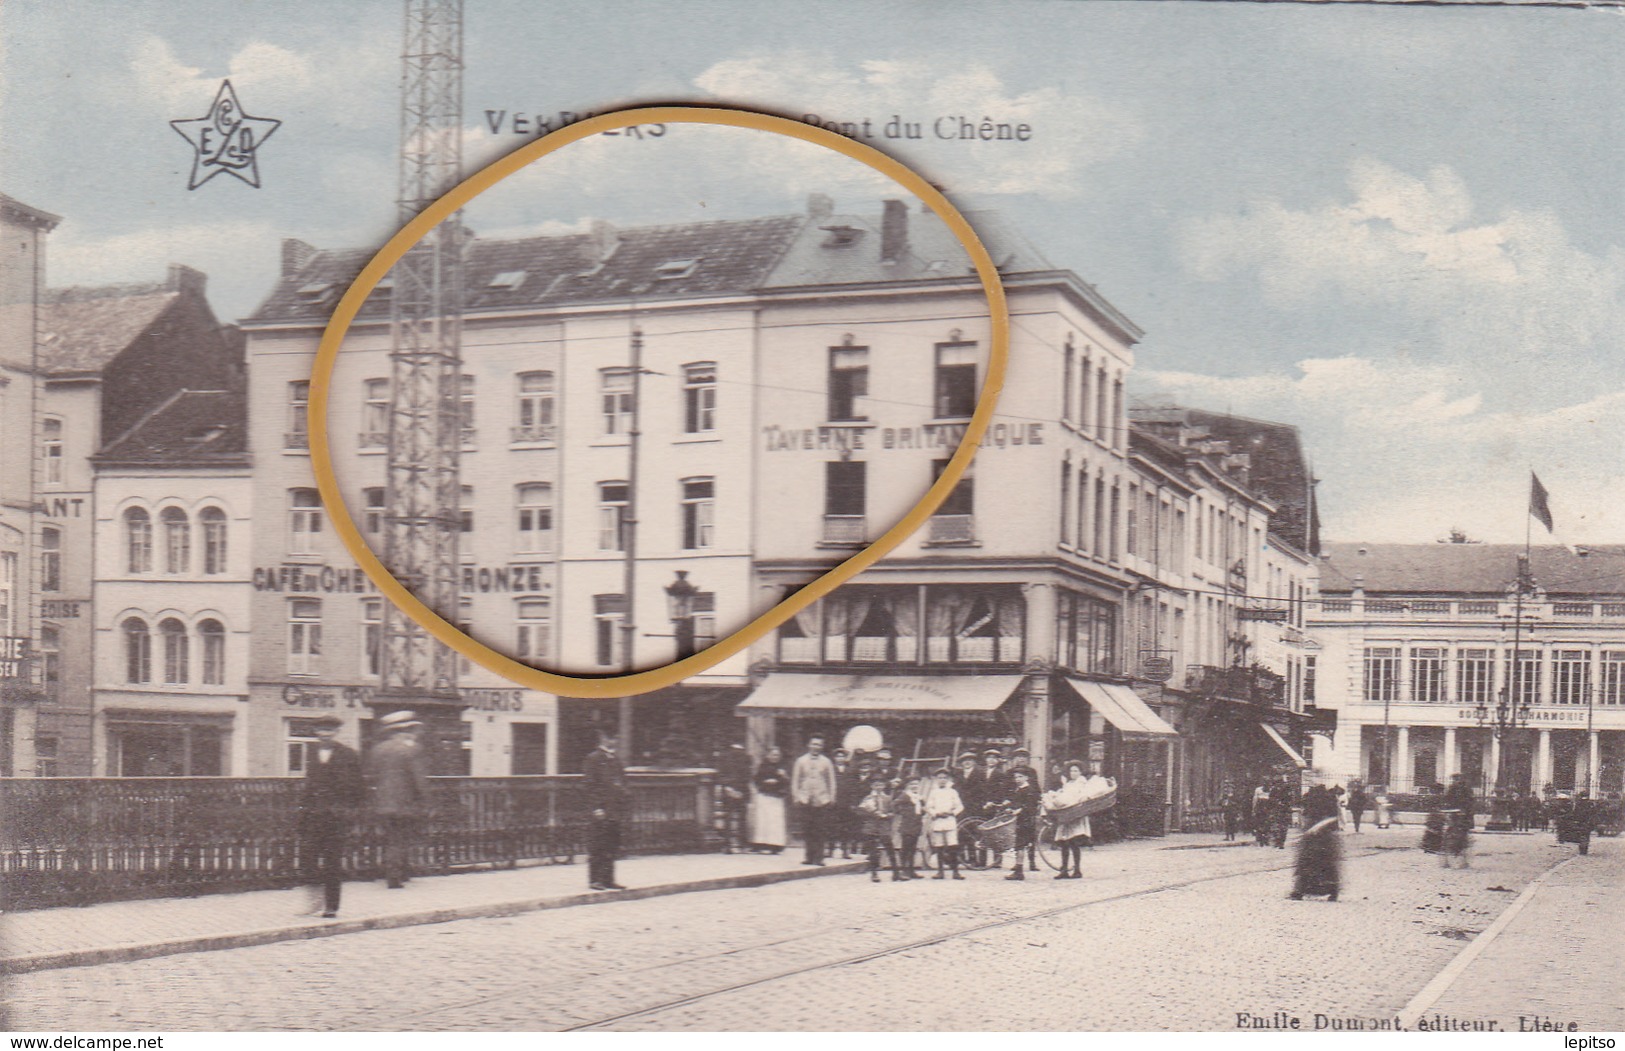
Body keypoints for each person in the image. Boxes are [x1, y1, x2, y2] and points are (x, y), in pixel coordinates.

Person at [298, 714, 364, 918]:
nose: (325, 734)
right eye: (321, 730)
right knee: (308, 859)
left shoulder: (349, 755)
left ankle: (331, 906)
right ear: (316, 733)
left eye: (329, 731)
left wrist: (350, 812)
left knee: (332, 862)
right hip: (313, 815)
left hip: (336, 817)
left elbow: (358, 787)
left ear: (336, 732)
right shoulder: (309, 752)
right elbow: (308, 784)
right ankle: (315, 901)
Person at [366, 710, 431, 889]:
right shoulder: (411, 750)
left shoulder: (378, 749)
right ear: (406, 730)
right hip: (405, 803)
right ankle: (395, 876)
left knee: (391, 837)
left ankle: (399, 872)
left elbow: (372, 775)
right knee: (401, 838)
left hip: (382, 803)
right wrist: (426, 800)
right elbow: (419, 779)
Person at [583, 730, 630, 890]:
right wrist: (596, 807)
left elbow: (623, 781)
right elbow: (590, 786)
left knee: (611, 845)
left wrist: (623, 795)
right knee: (598, 844)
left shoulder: (615, 760)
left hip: (614, 809)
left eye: (616, 737)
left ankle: (608, 879)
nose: (614, 741)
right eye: (611, 737)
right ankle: (595, 880)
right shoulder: (593, 758)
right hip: (601, 810)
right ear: (603, 738)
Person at [1043, 760, 1096, 879]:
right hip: (1066, 814)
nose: (1073, 773)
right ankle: (1064, 870)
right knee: (1064, 843)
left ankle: (1077, 870)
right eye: (1071, 770)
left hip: (1075, 815)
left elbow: (1082, 796)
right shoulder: (1068, 783)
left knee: (1074, 842)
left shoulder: (1082, 783)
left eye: (1076, 770)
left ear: (1080, 772)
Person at [791, 735, 838, 866]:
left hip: (821, 799)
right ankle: (808, 856)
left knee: (820, 829)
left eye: (819, 745)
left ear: (822, 747)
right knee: (807, 829)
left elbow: (831, 781)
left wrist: (832, 797)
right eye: (814, 744)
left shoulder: (826, 761)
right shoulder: (800, 761)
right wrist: (796, 796)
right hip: (805, 798)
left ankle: (819, 857)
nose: (816, 747)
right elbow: (796, 780)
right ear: (809, 745)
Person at [1289, 784, 1341, 901]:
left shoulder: (1324, 800)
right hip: (1319, 838)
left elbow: (1331, 818)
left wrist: (1314, 828)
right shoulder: (1326, 799)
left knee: (1311, 864)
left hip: (1320, 837)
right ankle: (1330, 891)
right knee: (1321, 865)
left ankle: (1300, 891)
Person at [994, 766, 1042, 881]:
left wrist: (1018, 811)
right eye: (1016, 777)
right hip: (1020, 820)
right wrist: (1010, 809)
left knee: (1020, 845)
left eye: (1020, 777)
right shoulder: (1019, 789)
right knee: (1019, 845)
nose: (1018, 779)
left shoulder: (1029, 790)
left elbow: (1029, 806)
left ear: (1026, 777)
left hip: (1026, 820)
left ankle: (1019, 871)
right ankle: (1018, 867)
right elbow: (1016, 803)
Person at [923, 768, 965, 879]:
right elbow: (928, 807)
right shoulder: (933, 792)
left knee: (953, 846)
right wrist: (936, 813)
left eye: (944, 778)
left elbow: (960, 806)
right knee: (939, 847)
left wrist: (952, 812)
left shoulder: (952, 792)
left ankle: (955, 872)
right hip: (938, 821)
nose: (942, 780)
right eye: (940, 778)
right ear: (936, 779)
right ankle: (940, 872)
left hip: (950, 821)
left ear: (948, 779)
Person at [857, 776, 898, 882]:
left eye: (881, 785)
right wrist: (871, 813)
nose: (878, 787)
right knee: (873, 851)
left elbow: (893, 812)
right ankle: (874, 874)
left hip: (884, 827)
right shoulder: (867, 798)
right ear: (872, 786)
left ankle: (896, 873)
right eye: (876, 785)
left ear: (884, 786)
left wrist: (886, 816)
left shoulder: (887, 798)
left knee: (890, 849)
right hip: (871, 827)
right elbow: (861, 811)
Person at [749, 746, 789, 854]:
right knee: (763, 821)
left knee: (775, 822)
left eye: (777, 755)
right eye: (773, 755)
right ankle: (761, 844)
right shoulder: (762, 766)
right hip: (764, 796)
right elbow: (756, 779)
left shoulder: (782, 768)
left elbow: (786, 782)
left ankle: (775, 845)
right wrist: (765, 782)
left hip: (776, 797)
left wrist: (782, 778)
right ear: (768, 755)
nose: (775, 757)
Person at [717, 743, 752, 854]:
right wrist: (731, 789)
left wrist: (730, 789)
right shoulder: (744, 757)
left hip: (736, 790)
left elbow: (746, 775)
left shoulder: (744, 758)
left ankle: (733, 844)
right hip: (735, 790)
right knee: (736, 818)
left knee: (734, 818)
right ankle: (736, 844)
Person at [891, 774, 925, 880]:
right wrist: (903, 812)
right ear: (908, 785)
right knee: (906, 848)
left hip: (916, 825)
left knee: (913, 849)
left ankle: (911, 870)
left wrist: (921, 812)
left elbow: (921, 809)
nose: (915, 786)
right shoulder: (905, 795)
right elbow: (894, 804)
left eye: (916, 784)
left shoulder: (918, 797)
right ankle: (903, 870)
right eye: (912, 784)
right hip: (907, 825)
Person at [1438, 773, 1474, 868]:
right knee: (1461, 839)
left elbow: (1446, 802)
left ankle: (1447, 861)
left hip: (1456, 817)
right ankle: (1460, 862)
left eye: (1455, 779)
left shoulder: (1453, 789)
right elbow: (1470, 804)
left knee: (1451, 838)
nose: (1455, 781)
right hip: (1461, 818)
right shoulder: (1466, 789)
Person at [1251, 782, 1272, 846]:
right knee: (1262, 824)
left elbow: (1255, 800)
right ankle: (1262, 839)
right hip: (1262, 810)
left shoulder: (1270, 790)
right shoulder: (1259, 790)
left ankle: (1263, 839)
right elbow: (1255, 800)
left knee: (1262, 824)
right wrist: (1254, 809)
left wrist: (1254, 809)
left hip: (1263, 810)